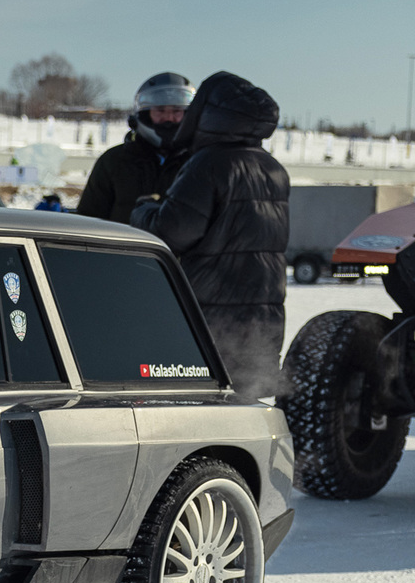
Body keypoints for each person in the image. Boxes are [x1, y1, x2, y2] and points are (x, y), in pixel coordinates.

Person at [130, 71, 289, 399]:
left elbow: (172, 232)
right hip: (263, 313)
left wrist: (144, 211)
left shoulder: (209, 164)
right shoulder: (272, 168)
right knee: (244, 407)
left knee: (197, 410)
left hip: (210, 315)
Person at [77, 72, 195, 224]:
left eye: (176, 111)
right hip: (122, 246)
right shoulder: (114, 161)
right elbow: (88, 220)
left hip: (178, 248)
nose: (169, 118)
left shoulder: (200, 162)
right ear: (145, 113)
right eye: (160, 111)